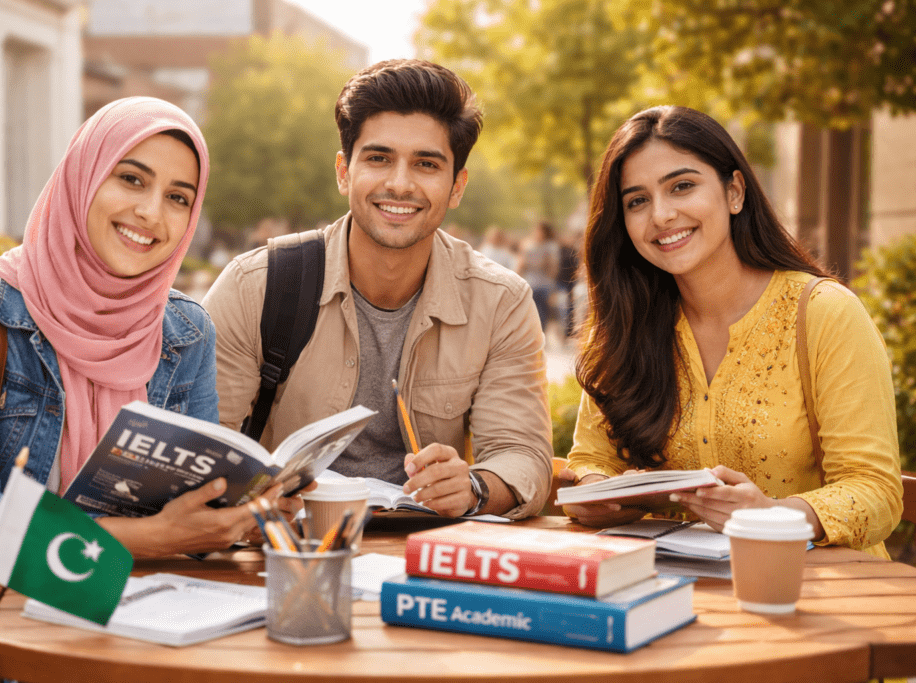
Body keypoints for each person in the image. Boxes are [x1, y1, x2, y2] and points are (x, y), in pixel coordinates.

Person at [0, 97, 279, 682]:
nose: (151, 212)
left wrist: (243, 514)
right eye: (131, 179)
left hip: (134, 628)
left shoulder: (185, 332)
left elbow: (193, 512)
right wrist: (146, 538)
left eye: (178, 197)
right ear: (82, 177)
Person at [203, 59, 552, 520]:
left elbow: (522, 454)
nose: (400, 184)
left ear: (457, 187)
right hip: (284, 543)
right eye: (378, 159)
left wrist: (472, 487)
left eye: (426, 164)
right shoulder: (256, 286)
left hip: (423, 546)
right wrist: (246, 503)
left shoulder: (500, 302)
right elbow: (199, 448)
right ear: (344, 172)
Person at [561, 105, 902, 558]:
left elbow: (877, 491)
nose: (661, 215)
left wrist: (771, 515)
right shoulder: (628, 326)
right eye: (637, 201)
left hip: (820, 585)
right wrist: (599, 494)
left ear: (735, 191)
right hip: (679, 582)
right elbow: (591, 459)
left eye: (682, 186)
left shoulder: (825, 313)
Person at [516, 220, 560, 331]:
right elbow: (520, 264)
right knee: (530, 313)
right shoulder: (527, 244)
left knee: (543, 313)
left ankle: (541, 335)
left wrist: (546, 264)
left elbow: (553, 269)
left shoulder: (551, 246)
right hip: (530, 283)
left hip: (545, 285)